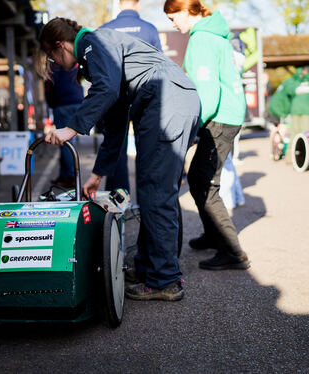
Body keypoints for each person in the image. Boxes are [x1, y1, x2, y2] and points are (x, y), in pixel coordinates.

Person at [38, 18, 201, 301]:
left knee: (155, 192)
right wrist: (97, 174)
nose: (55, 62)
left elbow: (107, 91)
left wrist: (71, 128)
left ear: (60, 45)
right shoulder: (101, 52)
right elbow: (115, 123)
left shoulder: (93, 42)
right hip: (170, 101)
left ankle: (165, 280)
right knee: (154, 190)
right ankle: (149, 267)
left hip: (167, 102)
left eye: (52, 56)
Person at [164, 0, 250, 270]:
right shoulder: (214, 33)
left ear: (189, 11)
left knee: (204, 182)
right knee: (200, 178)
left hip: (219, 118)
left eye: (174, 16)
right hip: (227, 115)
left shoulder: (201, 39)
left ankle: (233, 252)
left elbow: (209, 96)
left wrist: (190, 129)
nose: (173, 23)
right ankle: (213, 235)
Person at [100, 0, 162, 192]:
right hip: (144, 96)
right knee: (147, 148)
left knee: (115, 145)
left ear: (119, 4)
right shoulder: (150, 29)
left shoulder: (106, 30)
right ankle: (148, 199)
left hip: (116, 96)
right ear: (137, 4)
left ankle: (118, 200)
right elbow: (160, 67)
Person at [45, 63, 84, 188]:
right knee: (66, 142)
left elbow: (49, 87)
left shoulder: (54, 66)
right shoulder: (73, 63)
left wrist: (52, 104)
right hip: (77, 101)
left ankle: (72, 176)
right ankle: (65, 175)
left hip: (63, 103)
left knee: (65, 143)